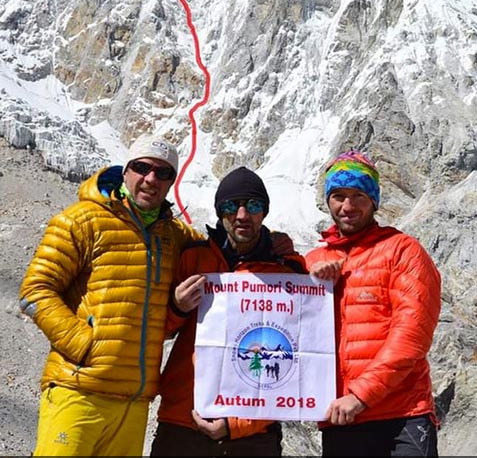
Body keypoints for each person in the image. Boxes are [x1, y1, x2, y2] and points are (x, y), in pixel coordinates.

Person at [19, 133, 204, 457]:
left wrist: (276, 246)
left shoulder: (173, 236)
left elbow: (219, 251)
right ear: (125, 170)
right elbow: (34, 291)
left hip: (133, 404)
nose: (151, 179)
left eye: (163, 173)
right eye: (142, 167)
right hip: (78, 389)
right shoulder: (81, 220)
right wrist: (84, 344)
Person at [150, 166, 308, 457]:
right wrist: (177, 308)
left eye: (254, 205)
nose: (242, 215)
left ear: (265, 212)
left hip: (252, 431)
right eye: (230, 206)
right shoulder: (193, 257)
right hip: (184, 420)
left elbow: (298, 358)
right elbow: (155, 332)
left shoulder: (287, 270)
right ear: (219, 211)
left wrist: (239, 423)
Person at [307, 150, 441, 458]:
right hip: (341, 418)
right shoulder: (313, 263)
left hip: (403, 415)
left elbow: (412, 336)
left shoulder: (402, 251)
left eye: (358, 195)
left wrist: (361, 396)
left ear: (374, 200)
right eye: (338, 196)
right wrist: (306, 281)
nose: (348, 206)